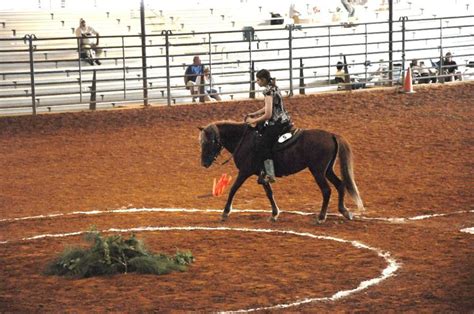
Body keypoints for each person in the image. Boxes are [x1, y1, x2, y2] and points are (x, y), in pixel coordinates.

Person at [244, 69, 292, 184]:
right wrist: (255, 113)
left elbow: (268, 114)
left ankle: (270, 174)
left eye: (258, 79)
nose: (257, 82)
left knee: (262, 145)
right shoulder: (274, 87)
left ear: (264, 80)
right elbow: (269, 107)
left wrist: (254, 120)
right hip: (284, 119)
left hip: (276, 123)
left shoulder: (267, 91)